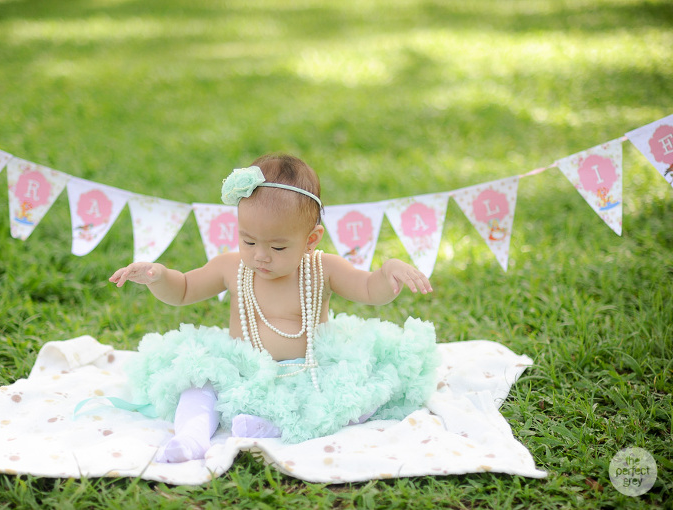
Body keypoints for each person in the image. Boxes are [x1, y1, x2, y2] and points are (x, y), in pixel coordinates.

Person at [109, 153, 440, 463]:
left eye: (278, 246)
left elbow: (369, 290)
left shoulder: (323, 269)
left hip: (309, 369)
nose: (260, 256)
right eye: (249, 241)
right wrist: (158, 276)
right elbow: (182, 291)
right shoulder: (231, 266)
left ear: (311, 239)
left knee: (356, 392)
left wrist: (387, 273)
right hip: (245, 369)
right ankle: (192, 434)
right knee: (199, 383)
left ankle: (272, 426)